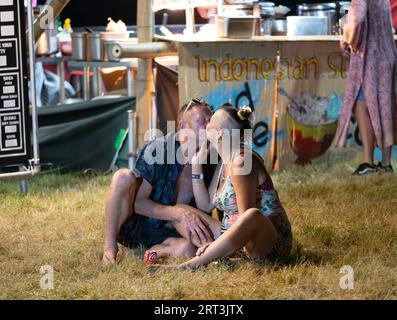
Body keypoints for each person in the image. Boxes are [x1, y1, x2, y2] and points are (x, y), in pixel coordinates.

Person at [151, 106, 292, 269]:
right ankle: (217, 253)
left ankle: (194, 264)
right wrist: (196, 165)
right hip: (232, 233)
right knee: (180, 211)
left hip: (266, 243)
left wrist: (216, 245)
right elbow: (205, 205)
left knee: (251, 214)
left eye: (210, 121)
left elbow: (246, 218)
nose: (206, 124)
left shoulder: (242, 161)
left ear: (219, 133)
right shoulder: (223, 162)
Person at [102, 99, 217, 266]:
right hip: (138, 225)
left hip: (174, 232)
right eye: (202, 121)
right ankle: (109, 249)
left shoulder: (213, 159)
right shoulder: (158, 150)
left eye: (211, 121)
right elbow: (139, 203)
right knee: (122, 177)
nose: (209, 126)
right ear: (183, 126)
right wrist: (177, 213)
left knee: (187, 250)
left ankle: (151, 252)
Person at [335, 0, 397, 175]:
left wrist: (347, 40)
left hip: (370, 57)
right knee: (385, 108)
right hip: (387, 53)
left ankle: (367, 162)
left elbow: (358, 18)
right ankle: (385, 163)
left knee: (361, 105)